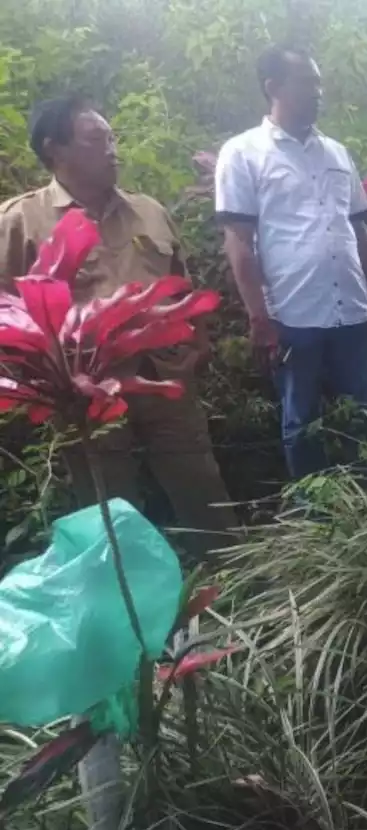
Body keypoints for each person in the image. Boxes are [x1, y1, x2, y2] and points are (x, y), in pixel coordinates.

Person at [0, 96, 236, 557]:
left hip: (165, 378)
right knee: (110, 506)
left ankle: (235, 585)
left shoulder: (148, 210)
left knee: (201, 487)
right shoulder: (19, 222)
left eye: (112, 138)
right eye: (96, 139)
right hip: (85, 394)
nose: (112, 149)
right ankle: (133, 602)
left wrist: (199, 343)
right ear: (56, 150)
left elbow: (184, 286)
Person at [215, 45, 367, 481]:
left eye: (319, 82)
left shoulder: (337, 153)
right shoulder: (243, 153)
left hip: (351, 308)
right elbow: (239, 241)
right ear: (274, 87)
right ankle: (315, 517)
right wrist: (259, 317)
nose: (318, 91)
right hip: (292, 313)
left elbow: (359, 231)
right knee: (301, 420)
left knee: (365, 415)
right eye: (307, 82)